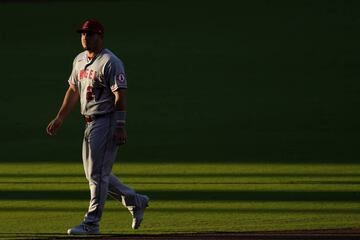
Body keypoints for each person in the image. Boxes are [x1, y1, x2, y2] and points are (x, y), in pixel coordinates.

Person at [46, 19, 149, 235]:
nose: (85, 37)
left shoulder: (111, 62)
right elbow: (73, 90)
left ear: (100, 36)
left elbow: (120, 95)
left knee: (97, 175)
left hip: (107, 120)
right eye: (83, 34)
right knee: (96, 175)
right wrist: (60, 117)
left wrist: (120, 125)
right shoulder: (79, 60)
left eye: (90, 34)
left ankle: (92, 223)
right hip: (90, 123)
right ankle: (135, 200)